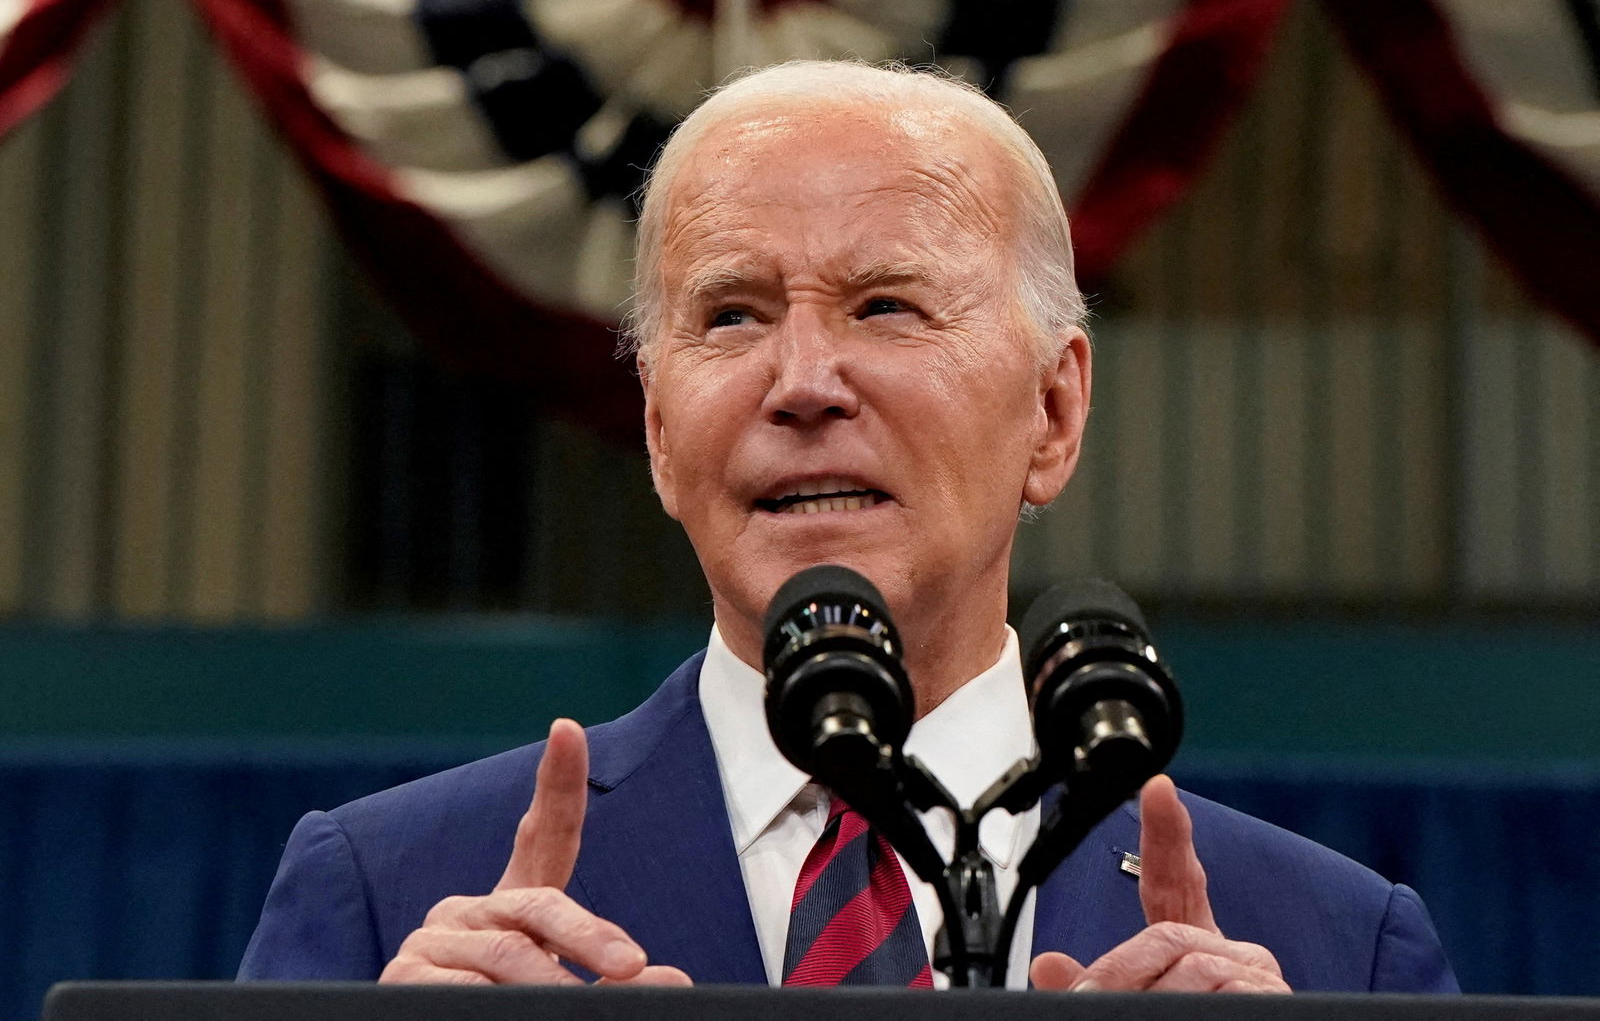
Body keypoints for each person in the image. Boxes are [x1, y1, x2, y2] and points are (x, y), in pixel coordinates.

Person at [239, 60, 1457, 994]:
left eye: (885, 305)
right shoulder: (388, 897)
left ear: (1052, 408)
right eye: (730, 316)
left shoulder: (1330, 950)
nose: (803, 378)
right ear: (659, 430)